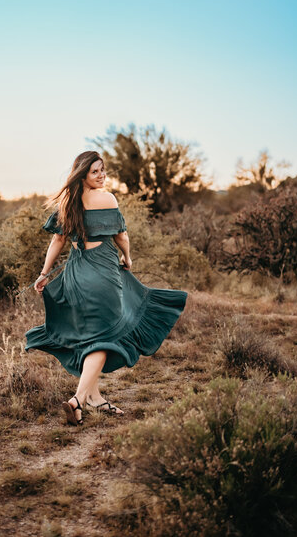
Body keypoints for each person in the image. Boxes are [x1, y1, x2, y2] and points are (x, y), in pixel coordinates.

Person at [24, 151, 188, 425]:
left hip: (75, 274)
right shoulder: (106, 199)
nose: (102, 176)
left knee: (91, 334)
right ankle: (77, 399)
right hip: (102, 272)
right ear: (83, 175)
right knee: (106, 335)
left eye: (103, 170)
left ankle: (96, 400)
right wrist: (128, 258)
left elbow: (57, 242)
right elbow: (121, 235)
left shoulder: (68, 202)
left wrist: (43, 274)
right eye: (95, 172)